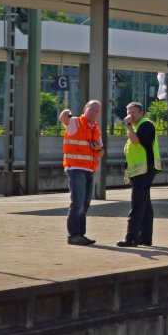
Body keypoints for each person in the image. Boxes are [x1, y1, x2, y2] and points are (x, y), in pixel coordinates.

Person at [60, 100, 104, 246]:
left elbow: (101, 152)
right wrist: (65, 112)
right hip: (76, 168)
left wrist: (98, 149)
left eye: (96, 111)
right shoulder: (75, 123)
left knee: (84, 205)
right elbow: (64, 119)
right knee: (77, 204)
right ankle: (73, 235)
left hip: (89, 170)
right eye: (91, 109)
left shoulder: (96, 128)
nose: (93, 113)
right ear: (84, 109)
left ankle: (80, 234)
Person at [119, 102, 160, 247]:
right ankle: (145, 238)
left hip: (144, 170)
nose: (130, 115)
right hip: (140, 171)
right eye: (128, 112)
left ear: (142, 113)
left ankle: (131, 239)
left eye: (133, 112)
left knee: (137, 204)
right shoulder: (137, 126)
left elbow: (136, 141)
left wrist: (128, 126)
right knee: (145, 205)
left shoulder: (145, 125)